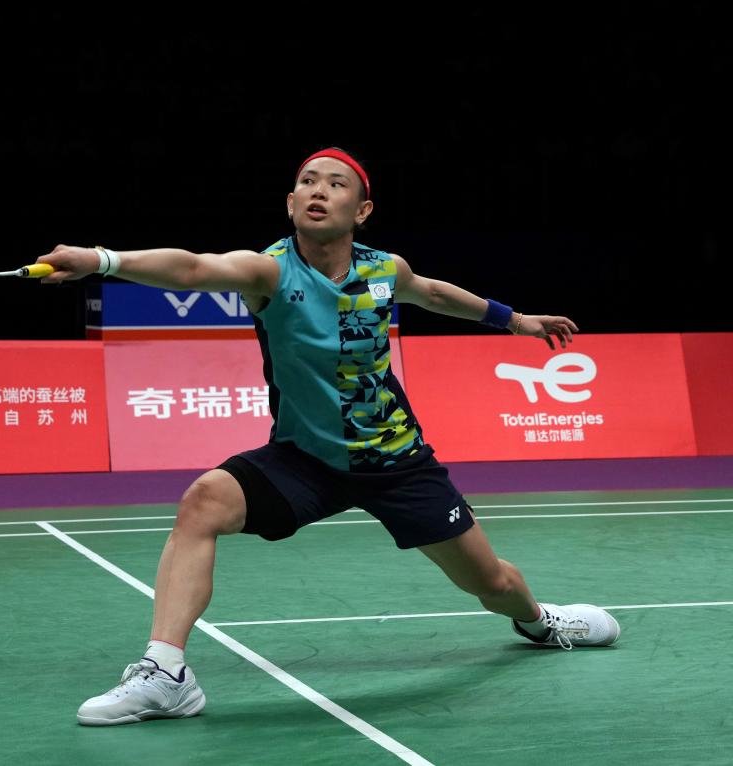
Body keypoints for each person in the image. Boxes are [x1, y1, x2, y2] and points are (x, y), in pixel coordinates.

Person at [37, 147, 620, 727]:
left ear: (362, 210)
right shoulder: (268, 271)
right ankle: (166, 674)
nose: (319, 190)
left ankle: (542, 622)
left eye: (336, 184)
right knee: (203, 502)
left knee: (491, 583)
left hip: (397, 461)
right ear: (291, 204)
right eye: (307, 182)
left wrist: (513, 321)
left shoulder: (385, 270)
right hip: (307, 458)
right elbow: (192, 268)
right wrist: (100, 260)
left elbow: (436, 294)